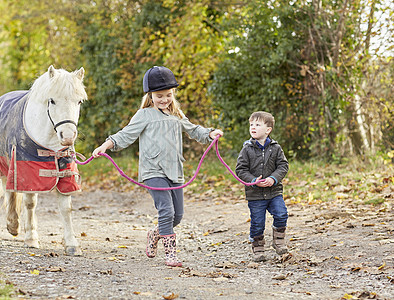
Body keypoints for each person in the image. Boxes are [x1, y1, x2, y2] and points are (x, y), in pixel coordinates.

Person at [92, 66, 223, 267]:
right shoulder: (144, 115)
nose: (164, 99)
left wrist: (210, 133)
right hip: (153, 171)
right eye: (159, 96)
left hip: (174, 170)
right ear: (150, 96)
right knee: (166, 211)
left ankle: (155, 234)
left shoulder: (177, 115)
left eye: (168, 95)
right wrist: (105, 146)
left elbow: (194, 130)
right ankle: (170, 255)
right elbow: (125, 135)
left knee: (177, 216)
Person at [235, 111, 289, 262]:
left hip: (274, 191)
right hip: (255, 194)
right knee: (257, 222)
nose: (253, 127)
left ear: (268, 130)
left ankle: (278, 241)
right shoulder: (247, 149)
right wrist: (253, 180)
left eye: (257, 125)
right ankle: (258, 247)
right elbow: (240, 169)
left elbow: (283, 166)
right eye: (251, 124)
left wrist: (274, 178)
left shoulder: (275, 148)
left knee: (281, 214)